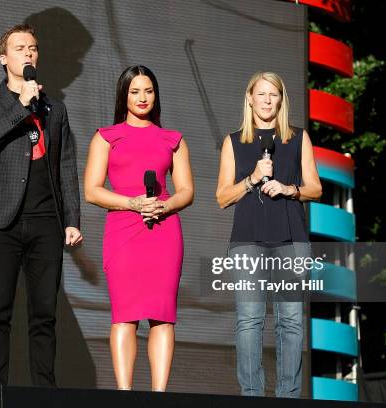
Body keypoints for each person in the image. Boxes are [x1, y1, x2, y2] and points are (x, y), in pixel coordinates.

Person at [0, 24, 82, 386]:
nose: (28, 53)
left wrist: (71, 219)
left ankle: (44, 394)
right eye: (19, 48)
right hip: (0, 222)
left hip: (46, 221)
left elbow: (66, 165)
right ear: (4, 59)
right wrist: (20, 105)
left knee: (44, 315)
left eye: (33, 48)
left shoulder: (55, 109)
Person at [84, 65, 194, 391]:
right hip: (123, 231)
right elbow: (92, 190)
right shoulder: (106, 137)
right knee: (125, 315)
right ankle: (125, 394)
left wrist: (163, 204)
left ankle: (159, 394)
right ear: (124, 95)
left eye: (148, 91)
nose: (142, 97)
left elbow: (186, 190)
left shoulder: (172, 140)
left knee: (162, 316)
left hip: (164, 232)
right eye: (135, 91)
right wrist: (133, 203)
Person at [216, 71, 322, 397]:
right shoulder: (234, 141)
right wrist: (252, 179)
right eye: (260, 94)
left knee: (291, 321)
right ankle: (252, 394)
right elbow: (222, 197)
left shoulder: (297, 137)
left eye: (272, 95)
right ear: (249, 98)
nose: (266, 100)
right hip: (248, 239)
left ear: (281, 99)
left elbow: (316, 188)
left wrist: (290, 188)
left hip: (291, 239)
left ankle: (288, 396)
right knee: (249, 320)